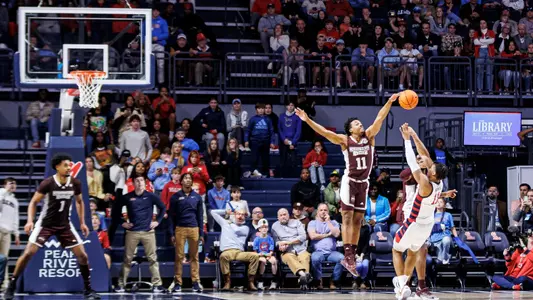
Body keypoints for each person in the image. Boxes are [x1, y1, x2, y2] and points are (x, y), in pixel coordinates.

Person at [295, 92, 400, 276]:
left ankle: (351, 254)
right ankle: (348, 255)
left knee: (359, 221)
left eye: (360, 122)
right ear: (350, 130)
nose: (361, 124)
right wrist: (307, 120)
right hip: (350, 182)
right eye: (356, 123)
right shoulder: (345, 140)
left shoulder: (369, 136)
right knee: (347, 218)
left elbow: (380, 117)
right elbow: (325, 133)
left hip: (364, 183)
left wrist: (389, 102)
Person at [4, 153, 100, 300]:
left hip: (64, 225)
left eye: (70, 165)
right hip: (45, 224)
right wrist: (30, 221)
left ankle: (88, 289)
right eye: (66, 165)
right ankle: (11, 286)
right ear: (57, 167)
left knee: (83, 256)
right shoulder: (48, 183)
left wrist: (82, 223)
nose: (69, 168)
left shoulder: (75, 183)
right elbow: (33, 202)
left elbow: (80, 202)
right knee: (28, 253)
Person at [393, 124, 450, 300]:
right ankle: (405, 285)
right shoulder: (438, 182)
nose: (427, 161)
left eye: (431, 167)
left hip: (413, 221)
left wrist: (406, 140)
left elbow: (412, 159)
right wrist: (415, 135)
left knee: (396, 250)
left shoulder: (425, 181)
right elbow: (425, 155)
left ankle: (401, 283)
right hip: (426, 224)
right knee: (412, 252)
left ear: (433, 174)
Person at [115, 175, 166, 293]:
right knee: (127, 259)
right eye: (137, 181)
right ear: (133, 183)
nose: (140, 182)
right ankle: (121, 284)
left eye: (142, 180)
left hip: (148, 232)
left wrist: (157, 221)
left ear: (145, 182)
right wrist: (123, 223)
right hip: (132, 232)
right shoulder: (127, 197)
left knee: (153, 258)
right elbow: (116, 210)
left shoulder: (151, 196)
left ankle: (157, 284)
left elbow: (163, 208)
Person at [168, 172, 204, 293]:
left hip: (194, 229)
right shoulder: (175, 197)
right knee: (179, 257)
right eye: (186, 178)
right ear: (181, 181)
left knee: (194, 257)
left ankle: (195, 282)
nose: (188, 180)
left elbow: (200, 217)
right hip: (180, 229)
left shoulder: (197, 197)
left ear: (192, 181)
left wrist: (202, 234)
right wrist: (171, 233)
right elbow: (171, 217)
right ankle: (178, 283)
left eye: (190, 178)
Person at [212, 209, 259, 291]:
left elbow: (237, 230)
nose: (240, 216)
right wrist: (226, 212)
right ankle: (227, 282)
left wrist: (230, 221)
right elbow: (213, 212)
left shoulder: (246, 228)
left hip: (239, 252)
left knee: (254, 256)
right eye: (238, 214)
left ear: (245, 217)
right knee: (223, 256)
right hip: (227, 251)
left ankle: (250, 282)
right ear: (234, 214)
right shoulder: (225, 223)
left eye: (242, 215)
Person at [271, 208, 312, 287]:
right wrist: (280, 245)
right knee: (289, 258)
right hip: (287, 251)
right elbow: (276, 241)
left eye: (285, 214)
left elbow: (303, 237)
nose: (283, 217)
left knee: (305, 257)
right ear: (278, 217)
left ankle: (303, 281)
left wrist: (288, 242)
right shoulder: (275, 226)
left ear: (289, 215)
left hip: (300, 249)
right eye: (281, 215)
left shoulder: (297, 223)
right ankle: (303, 275)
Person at [308, 203, 343, 290]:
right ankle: (318, 280)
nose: (323, 212)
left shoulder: (334, 222)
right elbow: (312, 236)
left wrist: (328, 222)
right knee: (315, 258)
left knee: (342, 259)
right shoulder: (312, 223)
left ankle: (334, 280)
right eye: (321, 210)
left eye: (325, 210)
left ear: (328, 212)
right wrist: (327, 235)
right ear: (317, 212)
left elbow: (336, 234)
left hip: (332, 252)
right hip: (318, 251)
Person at [244, 103, 274, 178]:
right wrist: (246, 140)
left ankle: (266, 174)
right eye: (259, 108)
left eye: (262, 108)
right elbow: (248, 131)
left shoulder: (268, 119)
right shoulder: (253, 119)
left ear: (264, 109)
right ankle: (253, 172)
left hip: (265, 141)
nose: (261, 110)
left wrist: (272, 142)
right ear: (256, 110)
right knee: (254, 158)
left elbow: (271, 131)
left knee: (265, 159)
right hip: (255, 141)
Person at [0, 178, 20, 289]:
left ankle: (4, 283)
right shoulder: (0, 193)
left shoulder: (15, 201)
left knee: (4, 259)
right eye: (10, 183)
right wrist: (4, 192)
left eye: (14, 183)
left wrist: (16, 233)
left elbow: (15, 218)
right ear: (5, 185)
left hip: (7, 232)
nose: (13, 185)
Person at [430, 198, 458, 265]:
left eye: (441, 202)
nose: (439, 203)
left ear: (444, 205)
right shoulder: (431, 215)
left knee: (446, 240)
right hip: (435, 239)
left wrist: (457, 238)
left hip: (446, 236)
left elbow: (452, 228)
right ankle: (444, 258)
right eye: (437, 202)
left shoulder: (448, 215)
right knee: (440, 259)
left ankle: (445, 258)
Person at [253, 218, 278, 290]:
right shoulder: (257, 239)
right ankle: (260, 280)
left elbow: (271, 250)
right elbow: (255, 251)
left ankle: (274, 281)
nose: (264, 229)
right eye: (262, 227)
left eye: (266, 227)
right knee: (263, 261)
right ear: (259, 229)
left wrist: (269, 254)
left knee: (273, 261)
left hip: (268, 255)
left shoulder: (270, 238)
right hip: (260, 255)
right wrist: (259, 254)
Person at [278, 101, 302, 178]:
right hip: (283, 141)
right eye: (289, 105)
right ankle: (283, 176)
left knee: (293, 161)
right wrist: (284, 139)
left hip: (293, 142)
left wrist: (293, 142)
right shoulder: (281, 116)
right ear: (286, 107)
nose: (290, 107)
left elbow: (298, 131)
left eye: (292, 105)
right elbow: (279, 129)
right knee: (283, 160)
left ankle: (293, 177)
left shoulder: (297, 117)